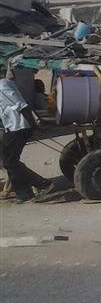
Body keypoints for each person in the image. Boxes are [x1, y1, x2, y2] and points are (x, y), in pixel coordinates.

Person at [0, 66, 52, 202]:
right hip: (12, 127)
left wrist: (34, 126)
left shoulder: (3, 86)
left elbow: (22, 106)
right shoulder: (5, 85)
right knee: (10, 162)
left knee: (10, 162)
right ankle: (29, 190)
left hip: (19, 127)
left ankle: (39, 186)